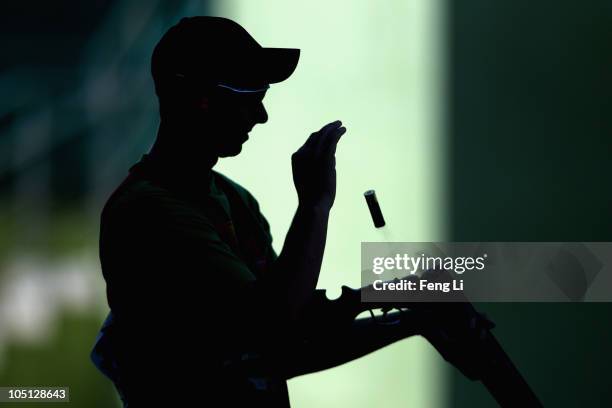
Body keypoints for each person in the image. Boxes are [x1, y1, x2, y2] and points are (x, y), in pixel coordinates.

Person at [90, 16, 481, 407]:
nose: (261, 116)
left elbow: (291, 330)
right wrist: (314, 206)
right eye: (250, 97)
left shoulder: (234, 200)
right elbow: (274, 329)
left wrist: (410, 306)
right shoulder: (149, 214)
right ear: (201, 99)